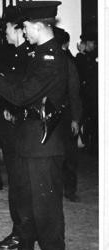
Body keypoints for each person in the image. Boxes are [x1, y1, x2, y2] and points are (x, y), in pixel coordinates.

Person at [0, 1, 69, 250]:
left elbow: (21, 94)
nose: (24, 31)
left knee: (46, 205)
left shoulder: (51, 59)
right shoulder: (36, 53)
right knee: (25, 200)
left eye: (26, 26)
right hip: (26, 137)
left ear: (40, 25)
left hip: (43, 142)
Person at [0, 5, 32, 250]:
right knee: (17, 184)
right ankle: (20, 231)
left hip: (22, 131)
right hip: (7, 129)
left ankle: (23, 234)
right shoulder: (8, 52)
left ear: (18, 29)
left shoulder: (30, 56)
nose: (4, 31)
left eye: (7, 27)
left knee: (22, 185)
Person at [53, 26, 83, 203]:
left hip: (66, 115)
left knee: (69, 156)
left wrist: (75, 119)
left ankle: (70, 190)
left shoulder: (67, 62)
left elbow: (74, 93)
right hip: (54, 115)